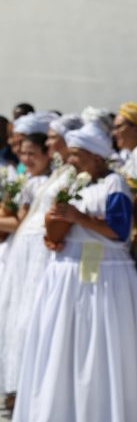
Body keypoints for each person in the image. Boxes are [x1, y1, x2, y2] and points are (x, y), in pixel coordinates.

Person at [12, 122, 137, 422]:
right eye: (70, 154)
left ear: (97, 157)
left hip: (104, 274)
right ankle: (73, 419)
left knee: (98, 350)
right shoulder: (73, 183)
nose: (70, 161)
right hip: (71, 272)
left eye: (77, 155)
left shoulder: (115, 184)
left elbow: (118, 230)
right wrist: (55, 234)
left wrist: (76, 217)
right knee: (70, 348)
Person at [0, 112, 56, 406]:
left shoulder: (51, 182)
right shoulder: (29, 182)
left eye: (32, 153)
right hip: (24, 253)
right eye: (23, 154)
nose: (27, 159)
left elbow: (21, 221)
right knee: (16, 315)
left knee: (32, 316)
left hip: (39, 252)